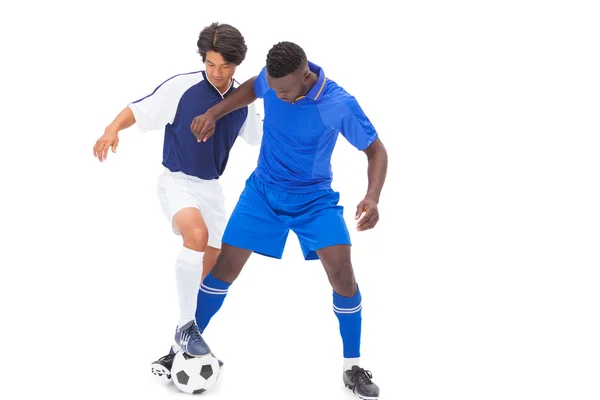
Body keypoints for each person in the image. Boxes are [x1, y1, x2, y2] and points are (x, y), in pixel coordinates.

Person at [189, 41, 387, 400]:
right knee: (225, 267)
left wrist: (372, 197)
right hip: (262, 193)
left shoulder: (338, 104)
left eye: (284, 90)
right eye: (273, 87)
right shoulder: (273, 79)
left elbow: (376, 150)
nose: (276, 94)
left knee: (343, 276)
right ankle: (185, 343)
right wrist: (215, 113)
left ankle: (352, 367)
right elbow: (253, 87)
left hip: (314, 201)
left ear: (306, 75)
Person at [92, 22, 262, 380]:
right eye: (211, 64)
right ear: (204, 59)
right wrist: (111, 130)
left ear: (238, 64)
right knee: (195, 237)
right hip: (177, 182)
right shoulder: (182, 87)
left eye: (225, 67)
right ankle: (186, 327)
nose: (217, 73)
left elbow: (263, 138)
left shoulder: (242, 103)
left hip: (213, 190)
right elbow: (139, 110)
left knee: (213, 275)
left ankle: (177, 349)